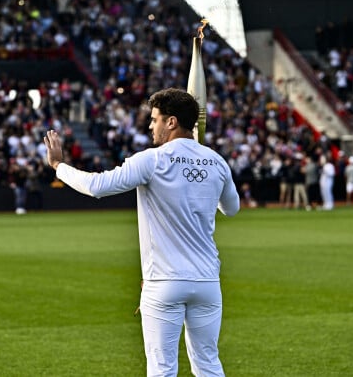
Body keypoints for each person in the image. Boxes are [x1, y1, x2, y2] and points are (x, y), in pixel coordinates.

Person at [44, 88, 240, 376]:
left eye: (154, 119)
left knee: (161, 368)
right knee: (209, 364)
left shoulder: (152, 160)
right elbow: (231, 208)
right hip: (207, 281)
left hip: (164, 282)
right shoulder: (217, 162)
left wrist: (58, 166)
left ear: (171, 122)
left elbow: (98, 186)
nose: (150, 126)